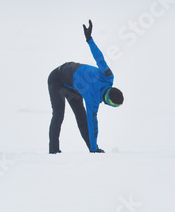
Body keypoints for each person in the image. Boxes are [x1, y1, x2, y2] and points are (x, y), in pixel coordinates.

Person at [48, 20, 124, 154]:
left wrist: (90, 39)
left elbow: (100, 58)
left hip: (74, 87)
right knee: (59, 114)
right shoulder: (93, 100)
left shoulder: (108, 77)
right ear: (109, 103)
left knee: (81, 117)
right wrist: (89, 39)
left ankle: (92, 150)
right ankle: (53, 150)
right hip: (57, 79)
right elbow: (93, 124)